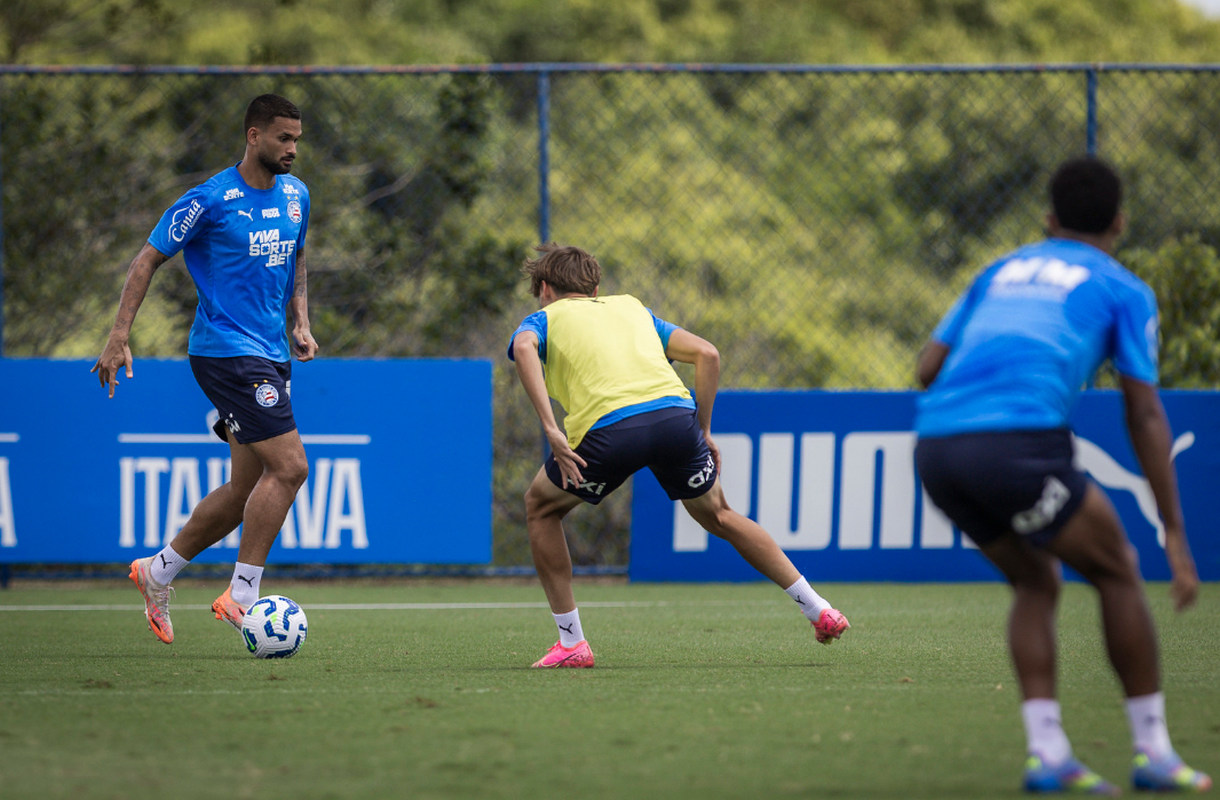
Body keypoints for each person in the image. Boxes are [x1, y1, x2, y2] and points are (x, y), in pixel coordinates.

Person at [914, 157, 1211, 795]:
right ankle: (1153, 753)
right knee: (1116, 569)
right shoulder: (1124, 288)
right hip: (1016, 443)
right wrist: (1175, 531)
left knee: (1036, 579)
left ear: (1048, 220)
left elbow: (926, 367)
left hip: (936, 449)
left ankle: (1048, 754)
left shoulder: (997, 271)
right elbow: (1145, 413)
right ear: (1120, 222)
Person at [507, 243, 849, 669]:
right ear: (595, 288)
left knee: (540, 508)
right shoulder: (634, 309)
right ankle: (819, 610)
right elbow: (707, 354)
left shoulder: (544, 318)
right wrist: (703, 430)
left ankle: (572, 643)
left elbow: (524, 349)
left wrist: (551, 429)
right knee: (719, 515)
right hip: (675, 418)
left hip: (611, 429)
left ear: (543, 288)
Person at [92, 94, 317, 645]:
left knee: (246, 487)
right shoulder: (210, 200)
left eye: (297, 140)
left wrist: (301, 322)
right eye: (283, 138)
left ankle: (158, 571)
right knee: (290, 468)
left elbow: (297, 256)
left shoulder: (296, 196)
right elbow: (147, 258)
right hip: (223, 351)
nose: (292, 149)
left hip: (270, 352)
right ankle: (242, 595)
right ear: (253, 136)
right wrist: (120, 334)